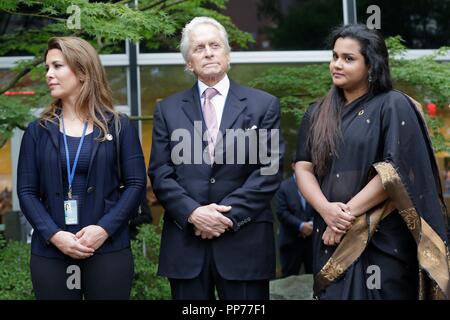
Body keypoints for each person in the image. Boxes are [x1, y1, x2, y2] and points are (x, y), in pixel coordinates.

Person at [295, 24, 450, 300]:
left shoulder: (393, 105)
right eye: (334, 57)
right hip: (330, 237)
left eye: (348, 58)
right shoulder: (317, 112)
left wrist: (344, 217)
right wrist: (326, 211)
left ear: (372, 65)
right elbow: (303, 167)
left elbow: (396, 172)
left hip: (382, 240)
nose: (337, 65)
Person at [149, 16, 284, 300]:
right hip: (186, 244)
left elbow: (269, 171)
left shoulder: (263, 105)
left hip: (244, 242)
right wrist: (194, 214)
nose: (208, 52)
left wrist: (224, 217)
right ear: (189, 62)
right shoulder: (167, 110)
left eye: (215, 45)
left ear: (228, 54)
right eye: (199, 48)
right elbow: (161, 172)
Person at [17, 37, 147, 299]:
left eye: (57, 66)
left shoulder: (119, 126)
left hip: (108, 249)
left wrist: (104, 229)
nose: (48, 75)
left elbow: (136, 184)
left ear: (83, 72)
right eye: (47, 68)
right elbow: (26, 191)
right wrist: (54, 235)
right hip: (51, 253)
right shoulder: (37, 132)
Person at [275, 156, 313, 277]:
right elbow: (281, 212)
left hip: (312, 241)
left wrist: (311, 225)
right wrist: (301, 226)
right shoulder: (283, 187)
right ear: (293, 166)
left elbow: (321, 208)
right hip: (290, 241)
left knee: (315, 276)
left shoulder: (316, 184)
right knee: (288, 277)